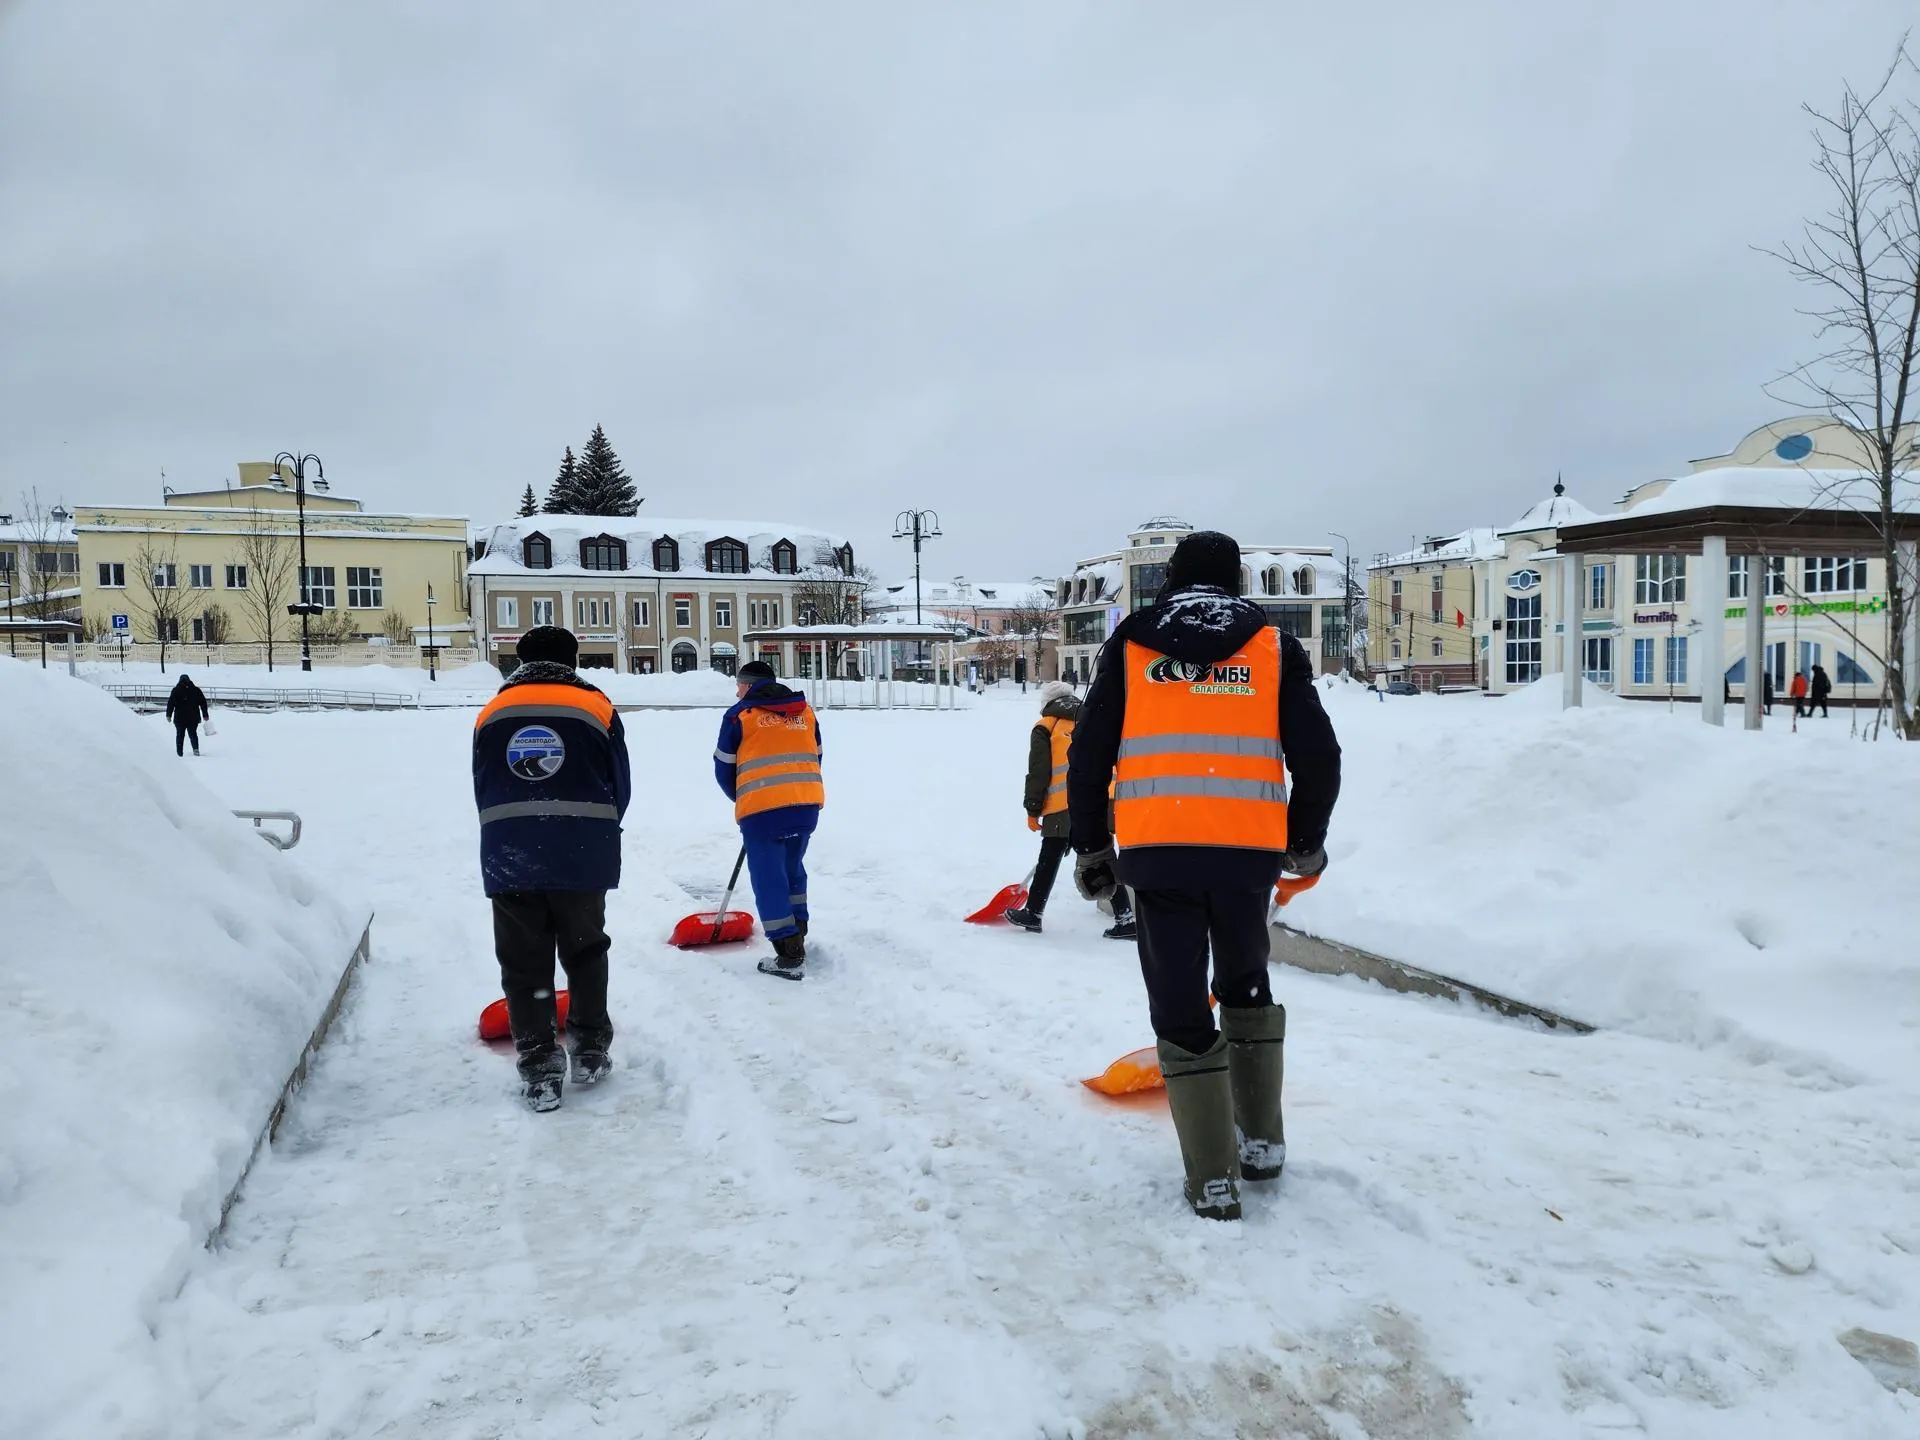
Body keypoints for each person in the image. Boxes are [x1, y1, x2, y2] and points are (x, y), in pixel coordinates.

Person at [1067, 530, 1341, 1222]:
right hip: (1248, 853)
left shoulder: (1131, 642)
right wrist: (1303, 842)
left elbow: (1089, 754)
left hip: (1160, 851)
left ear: (1173, 580)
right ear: (1237, 582)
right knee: (1246, 980)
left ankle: (1214, 1179)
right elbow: (1319, 756)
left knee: (1180, 1000)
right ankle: (1261, 1145)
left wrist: (1093, 846)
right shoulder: (1272, 647)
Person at [473, 626, 631, 1112]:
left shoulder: (493, 711)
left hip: (511, 853)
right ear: (573, 660)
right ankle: (588, 1049)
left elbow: (483, 783)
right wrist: (597, 830)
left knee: (523, 962)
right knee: (585, 951)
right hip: (582, 851)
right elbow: (619, 783)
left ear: (520, 661)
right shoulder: (596, 706)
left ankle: (540, 1068)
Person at [714, 660, 824, 980]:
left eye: (739, 685)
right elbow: (816, 756)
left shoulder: (739, 716)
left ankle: (789, 954)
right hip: (805, 805)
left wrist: (748, 797)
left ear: (749, 685)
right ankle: (798, 930)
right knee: (792, 870)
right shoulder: (805, 713)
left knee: (768, 879)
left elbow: (724, 768)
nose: (736, 691)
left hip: (762, 812)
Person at [1005, 681, 1135, 939]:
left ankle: (1033, 912)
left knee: (1049, 857)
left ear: (1046, 704)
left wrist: (1033, 809)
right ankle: (1126, 918)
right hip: (1104, 799)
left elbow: (1039, 771)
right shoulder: (1091, 719)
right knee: (1101, 855)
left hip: (1065, 802)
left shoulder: (1046, 726)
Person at [166, 673, 210, 756]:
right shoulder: (196, 690)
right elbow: (203, 703)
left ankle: (179, 753)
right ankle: (196, 749)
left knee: (180, 735)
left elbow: (171, 703)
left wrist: (169, 715)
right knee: (193, 734)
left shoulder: (176, 690)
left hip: (180, 718)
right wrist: (205, 714)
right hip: (193, 717)